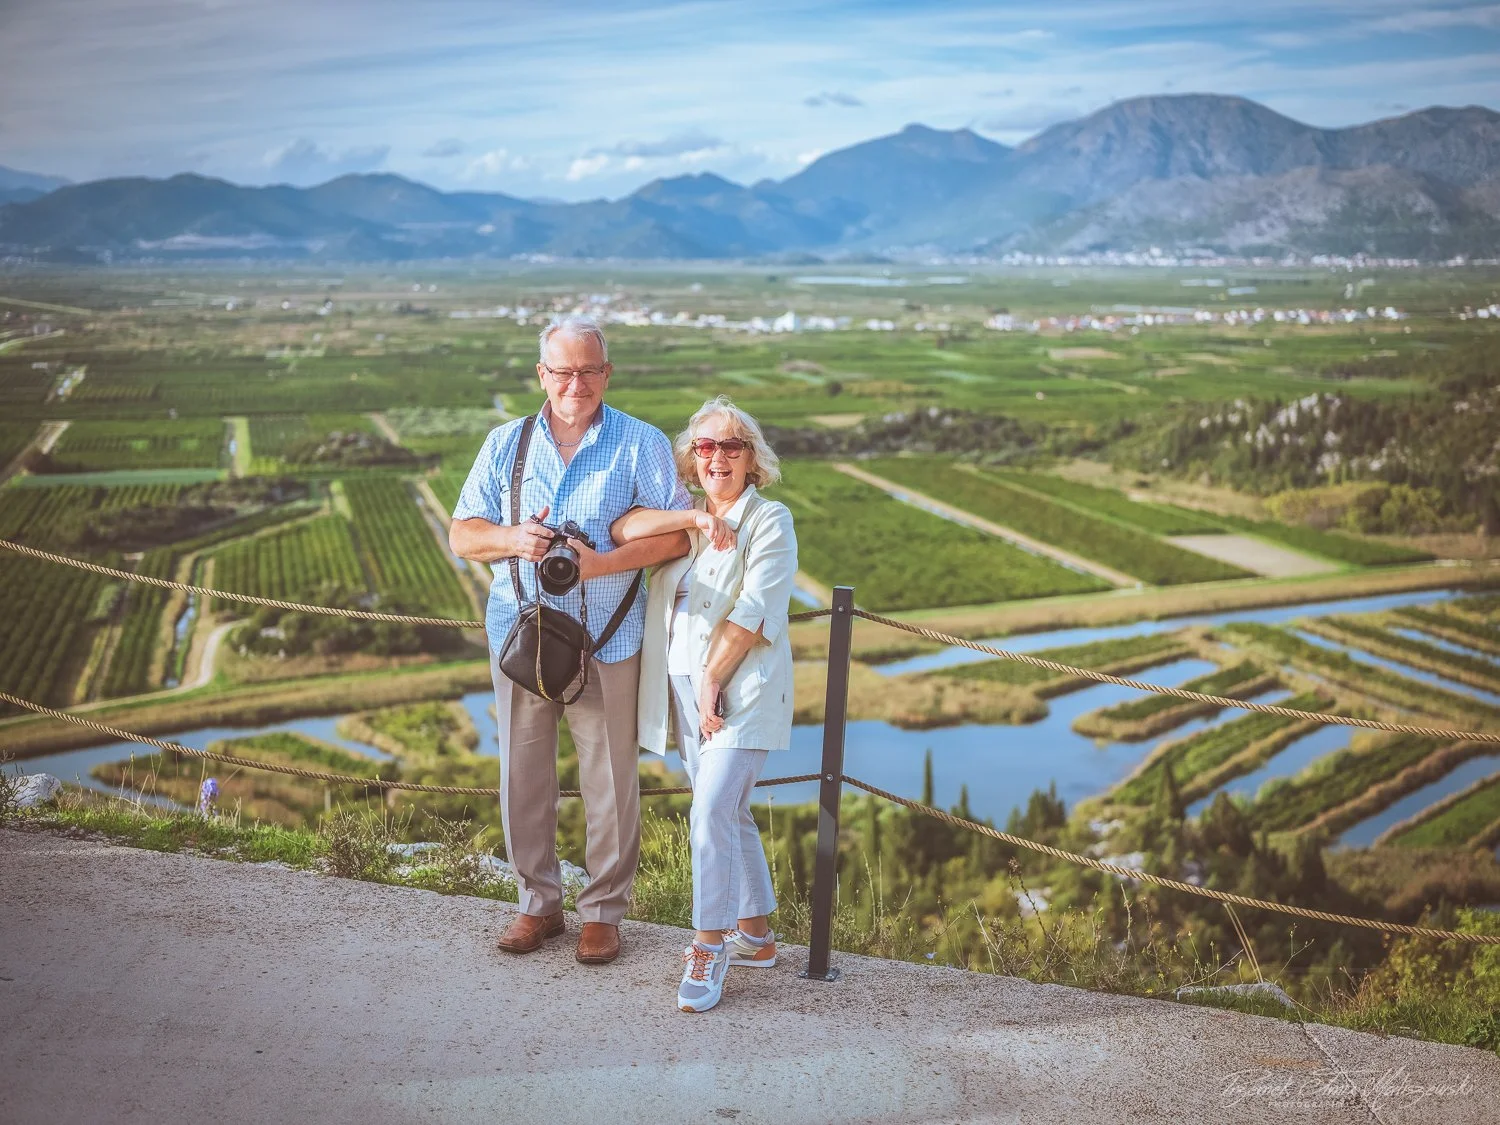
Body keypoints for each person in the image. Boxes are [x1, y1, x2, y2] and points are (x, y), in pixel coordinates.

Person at [449, 315, 692, 965]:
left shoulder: (641, 444)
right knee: (522, 775)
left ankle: (604, 912)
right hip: (520, 633)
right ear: (542, 375)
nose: (575, 383)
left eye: (588, 370)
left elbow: (676, 535)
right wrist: (513, 540)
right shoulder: (505, 444)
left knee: (610, 778)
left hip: (609, 638)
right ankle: (538, 903)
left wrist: (597, 562)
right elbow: (463, 534)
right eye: (563, 370)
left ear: (607, 373)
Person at [612, 395, 797, 1013]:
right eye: (706, 446)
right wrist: (692, 523)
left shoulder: (771, 520)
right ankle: (759, 937)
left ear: (753, 460)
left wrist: (712, 680)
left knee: (711, 809)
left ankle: (708, 945)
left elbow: (755, 611)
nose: (718, 456)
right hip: (683, 691)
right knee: (729, 813)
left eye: (732, 446)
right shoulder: (685, 520)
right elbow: (622, 529)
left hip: (737, 693)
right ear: (692, 459)